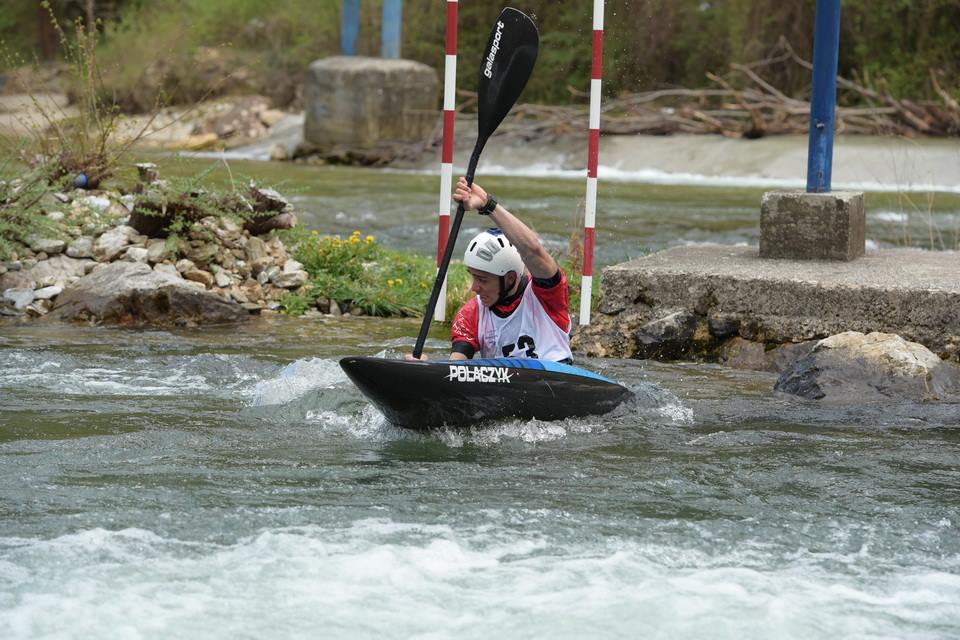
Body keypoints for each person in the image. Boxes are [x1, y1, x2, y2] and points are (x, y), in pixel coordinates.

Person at [409, 176, 573, 363]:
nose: (474, 288)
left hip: (555, 382)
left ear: (510, 279)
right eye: (473, 277)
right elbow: (456, 369)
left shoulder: (546, 297)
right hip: (503, 390)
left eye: (483, 279)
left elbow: (533, 249)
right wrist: (424, 371)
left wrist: (488, 205)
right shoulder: (472, 313)